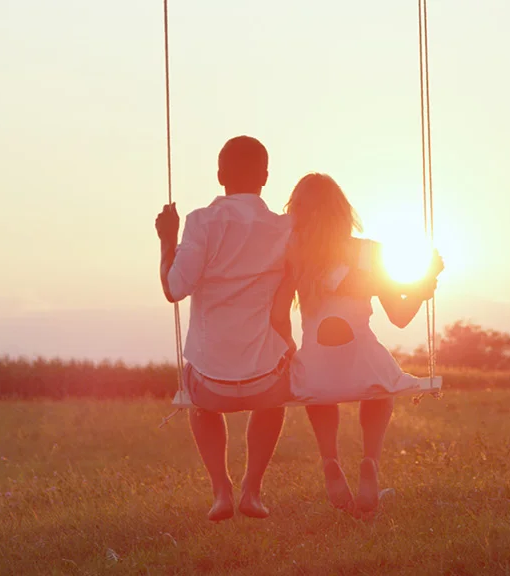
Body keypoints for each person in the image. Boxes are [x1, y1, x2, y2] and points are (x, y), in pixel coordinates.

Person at [270, 173, 443, 518]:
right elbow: (399, 316)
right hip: (364, 362)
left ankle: (330, 460)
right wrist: (426, 282)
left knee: (316, 385)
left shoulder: (296, 255)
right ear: (343, 210)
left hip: (317, 369)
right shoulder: (370, 252)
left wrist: (288, 347)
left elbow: (277, 314)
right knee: (379, 387)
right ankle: (370, 461)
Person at [155, 136, 293, 522]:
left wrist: (168, 240)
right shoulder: (285, 228)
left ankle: (221, 490)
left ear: (220, 176)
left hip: (210, 385)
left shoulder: (200, 222)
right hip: (266, 382)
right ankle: (252, 488)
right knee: (274, 396)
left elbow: (174, 289)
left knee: (198, 400)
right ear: (265, 177)